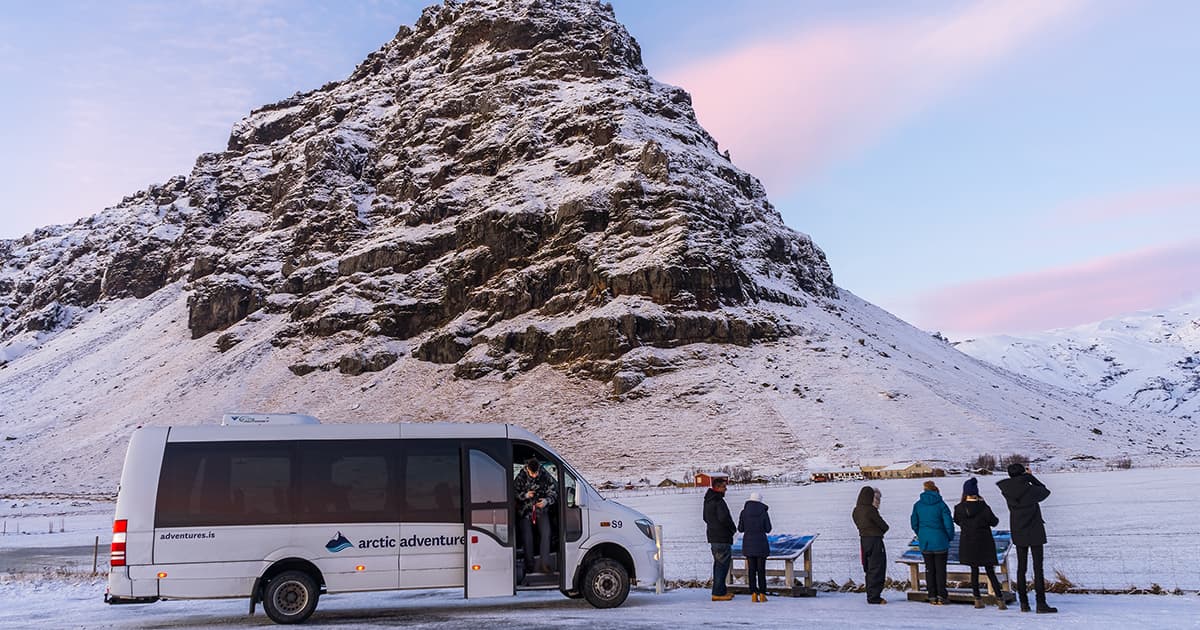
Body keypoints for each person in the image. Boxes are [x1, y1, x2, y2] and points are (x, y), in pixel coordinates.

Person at [997, 463, 1057, 614]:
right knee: (1038, 568)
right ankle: (1041, 603)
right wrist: (1031, 477)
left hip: (1018, 529)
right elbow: (1045, 491)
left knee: (1021, 568)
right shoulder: (1030, 489)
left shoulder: (1007, 490)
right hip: (1035, 529)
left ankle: (1024, 603)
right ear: (1023, 474)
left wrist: (1026, 477)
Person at [953, 478, 1008, 610]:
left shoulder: (959, 508)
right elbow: (994, 522)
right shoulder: (984, 507)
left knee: (974, 571)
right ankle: (1000, 599)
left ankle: (977, 599)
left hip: (969, 542)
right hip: (985, 542)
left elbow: (957, 521)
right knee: (990, 572)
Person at [911, 480, 954, 605]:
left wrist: (921, 534)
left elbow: (914, 523)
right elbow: (948, 524)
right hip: (940, 540)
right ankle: (942, 595)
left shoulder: (918, 505)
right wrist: (948, 537)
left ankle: (932, 595)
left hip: (926, 542)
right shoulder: (941, 505)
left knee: (929, 569)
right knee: (940, 569)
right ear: (937, 491)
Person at [514, 457, 557, 578]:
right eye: (532, 473)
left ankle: (545, 564)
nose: (534, 475)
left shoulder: (544, 475)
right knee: (527, 536)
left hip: (541, 509)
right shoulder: (521, 476)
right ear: (528, 469)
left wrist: (546, 501)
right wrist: (525, 495)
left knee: (546, 533)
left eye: (536, 473)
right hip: (526, 510)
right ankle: (529, 565)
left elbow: (553, 492)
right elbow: (513, 492)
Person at [852, 486, 889, 605]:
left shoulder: (856, 510)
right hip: (875, 540)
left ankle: (870, 593)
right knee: (877, 567)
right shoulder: (871, 510)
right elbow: (884, 526)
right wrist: (879, 531)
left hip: (863, 540)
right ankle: (875, 596)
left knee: (868, 568)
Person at [703, 477, 737, 601]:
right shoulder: (718, 501)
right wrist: (732, 528)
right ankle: (718, 593)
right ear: (717, 487)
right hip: (722, 537)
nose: (726, 489)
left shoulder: (707, 501)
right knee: (722, 565)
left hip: (713, 536)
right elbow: (724, 518)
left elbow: (705, 518)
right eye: (724, 486)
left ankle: (720, 590)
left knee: (718, 564)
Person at [738, 491, 772, 602]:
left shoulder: (743, 512)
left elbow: (740, 529)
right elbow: (768, 529)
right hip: (761, 543)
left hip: (748, 544)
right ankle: (762, 594)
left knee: (751, 570)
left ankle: (753, 593)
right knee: (761, 570)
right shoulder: (763, 512)